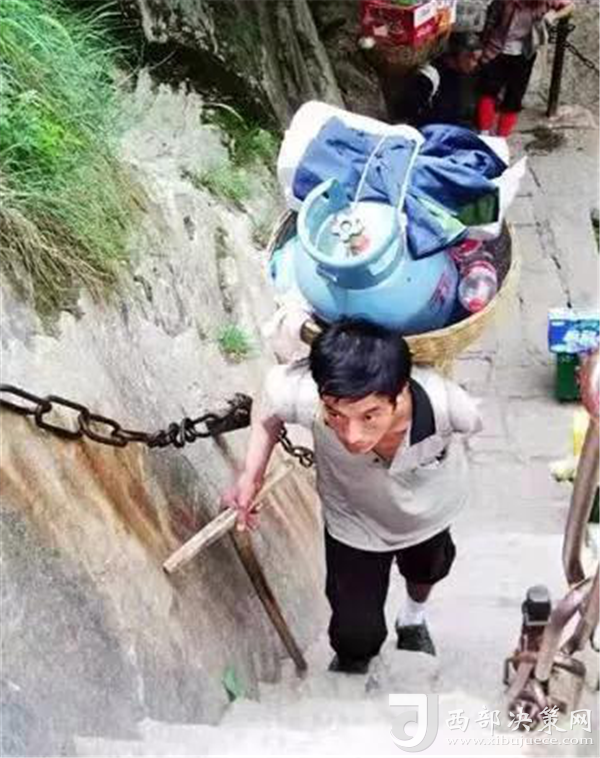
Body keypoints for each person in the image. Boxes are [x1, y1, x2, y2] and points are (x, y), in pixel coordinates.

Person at [222, 319, 482, 675]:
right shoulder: (304, 391)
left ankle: (413, 618)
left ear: (400, 392)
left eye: (369, 416)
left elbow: (472, 428)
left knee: (427, 570)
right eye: (335, 415)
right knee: (353, 633)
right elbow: (268, 403)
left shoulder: (449, 405)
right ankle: (355, 662)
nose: (352, 435)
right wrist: (251, 476)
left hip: (429, 512)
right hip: (354, 520)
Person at [474, 0, 574, 137]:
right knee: (488, 91)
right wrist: (481, 48)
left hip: (524, 54)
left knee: (514, 98)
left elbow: (570, 6)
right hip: (496, 50)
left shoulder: (546, 2)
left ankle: (501, 137)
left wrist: (553, 15)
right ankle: (484, 132)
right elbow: (490, 23)